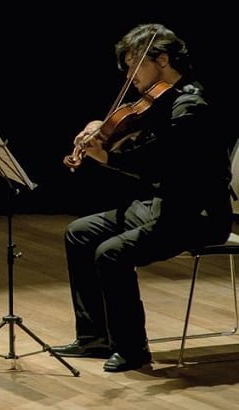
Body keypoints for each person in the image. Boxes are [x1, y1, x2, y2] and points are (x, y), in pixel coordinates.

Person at [53, 24, 233, 372]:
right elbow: (134, 135)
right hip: (163, 206)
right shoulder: (160, 102)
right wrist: (98, 127)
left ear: (162, 60)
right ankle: (94, 338)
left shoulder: (191, 107)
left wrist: (108, 156)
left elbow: (159, 162)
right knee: (79, 232)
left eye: (135, 66)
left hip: (199, 215)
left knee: (112, 253)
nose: (129, 76)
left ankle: (132, 349)